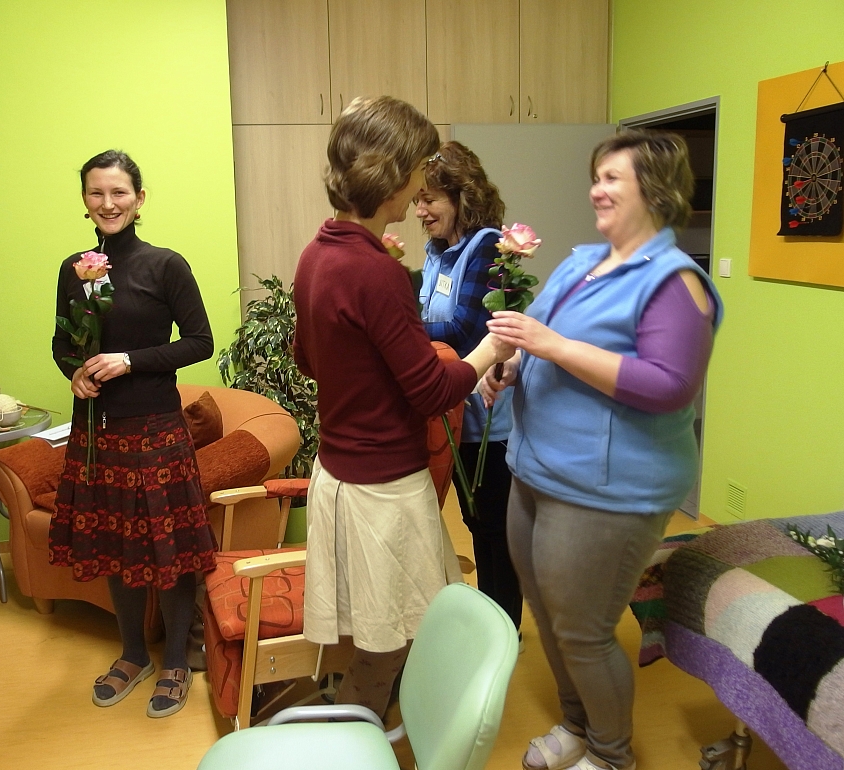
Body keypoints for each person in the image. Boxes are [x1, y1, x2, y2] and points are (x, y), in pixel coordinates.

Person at [481, 130, 723, 770]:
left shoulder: (676, 282)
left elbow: (670, 386)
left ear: (657, 191)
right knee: (552, 617)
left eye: (613, 178)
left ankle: (613, 756)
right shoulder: (581, 262)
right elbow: (542, 342)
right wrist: (514, 367)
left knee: (584, 631)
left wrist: (553, 346)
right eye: (597, 176)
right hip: (535, 470)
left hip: (606, 491)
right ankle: (577, 725)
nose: (596, 189)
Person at [294, 97, 515, 719]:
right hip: (383, 489)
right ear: (392, 177)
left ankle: (377, 723)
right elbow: (433, 393)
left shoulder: (317, 254)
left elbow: (308, 360)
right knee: (390, 641)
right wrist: (490, 350)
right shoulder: (376, 271)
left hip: (338, 473)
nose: (421, 186)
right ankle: (359, 739)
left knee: (381, 630)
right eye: (418, 170)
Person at [49, 150, 216, 719]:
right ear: (84, 201)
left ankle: (175, 661)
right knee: (115, 543)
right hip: (97, 431)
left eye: (119, 192)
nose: (108, 203)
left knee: (168, 550)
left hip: (155, 430)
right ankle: (132, 654)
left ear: (139, 200)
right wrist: (74, 372)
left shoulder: (165, 265)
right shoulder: (73, 268)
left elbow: (199, 341)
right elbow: (62, 343)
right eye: (96, 193)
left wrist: (129, 360)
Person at [416, 140, 523, 638]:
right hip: (454, 409)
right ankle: (489, 624)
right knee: (475, 520)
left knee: (497, 527)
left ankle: (506, 629)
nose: (420, 211)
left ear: (461, 196)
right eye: (417, 200)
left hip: (489, 414)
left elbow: (464, 328)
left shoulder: (486, 247)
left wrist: (401, 330)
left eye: (429, 200)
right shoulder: (436, 254)